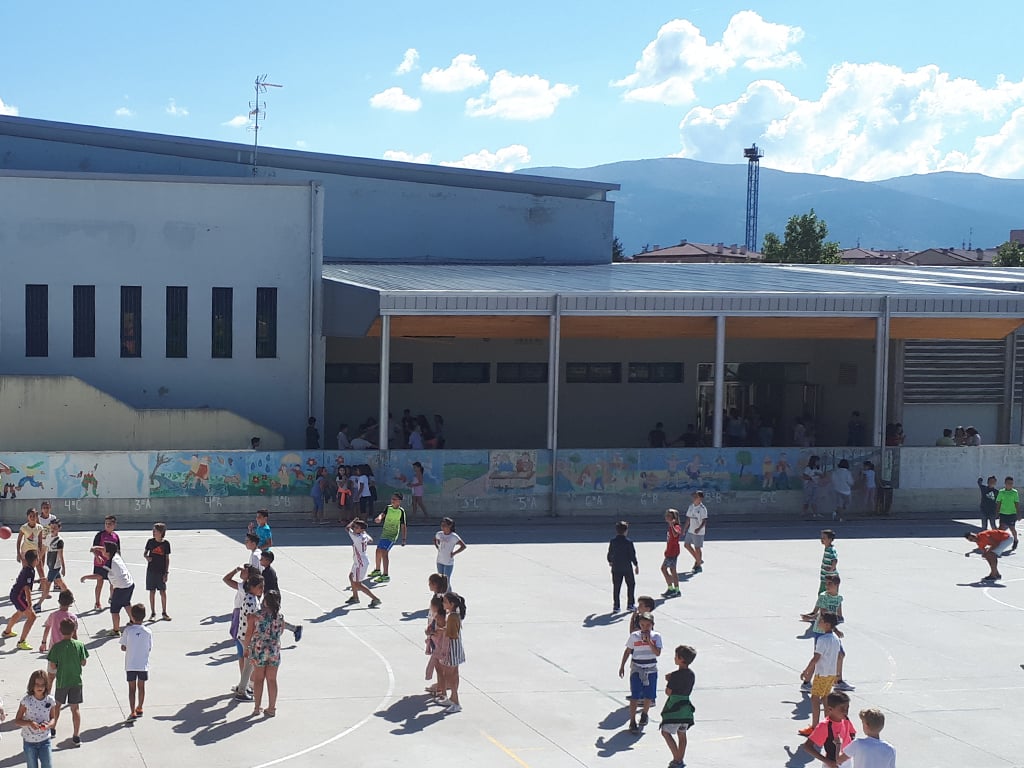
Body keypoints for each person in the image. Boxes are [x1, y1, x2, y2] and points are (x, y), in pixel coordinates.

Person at [798, 612, 843, 735]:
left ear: (827, 624)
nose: (818, 622)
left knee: (815, 698)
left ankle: (815, 727)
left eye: (821, 621)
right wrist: (837, 673)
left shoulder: (822, 640)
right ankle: (827, 725)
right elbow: (839, 656)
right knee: (825, 697)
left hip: (822, 673)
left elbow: (816, 658)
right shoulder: (836, 639)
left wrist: (806, 670)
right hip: (831, 673)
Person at [619, 611, 662, 733]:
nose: (645, 627)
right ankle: (632, 721)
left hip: (651, 669)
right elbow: (628, 651)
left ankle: (644, 714)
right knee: (635, 696)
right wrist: (622, 665)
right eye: (642, 625)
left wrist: (649, 642)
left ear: (652, 625)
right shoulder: (634, 636)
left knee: (649, 695)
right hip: (637, 669)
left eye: (648, 625)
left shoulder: (656, 637)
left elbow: (657, 653)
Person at [47, 618, 88, 746]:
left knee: (57, 706)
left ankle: (53, 728)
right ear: (73, 630)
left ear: (60, 630)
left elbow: (52, 666)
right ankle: (76, 735)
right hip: (76, 681)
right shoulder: (79, 645)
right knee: (75, 708)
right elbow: (84, 662)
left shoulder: (56, 647)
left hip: (62, 681)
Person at [81, 541, 134, 636]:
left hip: (121, 588)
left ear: (108, 552)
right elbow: (105, 549)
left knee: (114, 610)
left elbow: (99, 576)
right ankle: (134, 621)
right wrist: (96, 548)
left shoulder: (110, 564)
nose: (102, 550)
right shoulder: (116, 555)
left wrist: (85, 577)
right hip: (129, 584)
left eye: (104, 549)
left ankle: (116, 630)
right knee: (126, 603)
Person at [249, 589, 285, 717]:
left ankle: (257, 707)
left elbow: (250, 633)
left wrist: (248, 647)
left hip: (259, 650)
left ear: (265, 601)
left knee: (259, 679)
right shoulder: (280, 617)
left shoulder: (257, 615)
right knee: (272, 679)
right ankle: (271, 708)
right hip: (274, 650)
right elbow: (281, 632)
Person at [660, 644, 697, 768]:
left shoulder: (675, 676)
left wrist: (670, 680)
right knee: (682, 733)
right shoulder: (691, 674)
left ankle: (677, 759)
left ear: (681, 659)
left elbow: (668, 692)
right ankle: (679, 759)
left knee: (665, 732)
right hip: (686, 708)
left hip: (674, 708)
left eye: (676, 656)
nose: (674, 658)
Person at [14, 670, 57, 767]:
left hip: (45, 740)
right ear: (32, 685)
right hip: (29, 742)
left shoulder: (50, 700)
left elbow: (53, 719)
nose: (40, 687)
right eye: (37, 684)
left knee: (47, 765)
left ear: (46, 685)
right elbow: (17, 721)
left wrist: (48, 725)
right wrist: (29, 723)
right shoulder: (26, 701)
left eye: (42, 685)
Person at [801, 691, 856, 765]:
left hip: (847, 760)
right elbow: (807, 746)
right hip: (833, 763)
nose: (845, 711)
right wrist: (827, 761)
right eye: (842, 708)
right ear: (830, 709)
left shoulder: (846, 719)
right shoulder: (824, 726)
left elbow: (852, 733)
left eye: (847, 708)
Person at [258, 551, 302, 642]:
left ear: (268, 561)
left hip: (272, 598)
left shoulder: (268, 573)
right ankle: (294, 628)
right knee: (271, 617)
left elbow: (264, 586)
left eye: (262, 559)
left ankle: (293, 629)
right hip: (270, 597)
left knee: (271, 617)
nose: (260, 560)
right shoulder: (267, 571)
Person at [234, 573, 265, 701]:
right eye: (259, 587)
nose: (262, 590)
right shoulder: (251, 602)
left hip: (245, 635)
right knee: (249, 665)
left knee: (249, 664)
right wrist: (249, 643)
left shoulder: (251, 597)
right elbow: (251, 624)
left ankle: (243, 686)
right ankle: (242, 690)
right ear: (252, 587)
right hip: (248, 636)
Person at [120, 603, 152, 721]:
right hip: (143, 664)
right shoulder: (148, 631)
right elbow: (149, 647)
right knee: (141, 687)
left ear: (132, 616)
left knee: (131, 689)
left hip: (130, 664)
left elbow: (123, 647)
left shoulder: (128, 630)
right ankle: (140, 707)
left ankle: (132, 711)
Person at [438, 591, 467, 714]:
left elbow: (452, 634)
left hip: (452, 649)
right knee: (453, 673)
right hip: (455, 648)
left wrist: (440, 631)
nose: (443, 604)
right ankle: (452, 698)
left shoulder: (452, 617)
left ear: (452, 604)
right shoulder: (454, 615)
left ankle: (455, 700)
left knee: (450, 675)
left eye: (445, 602)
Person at [4, 550, 39, 650]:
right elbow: (27, 588)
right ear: (35, 560)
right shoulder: (30, 571)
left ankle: (7, 632)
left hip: (14, 594)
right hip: (19, 597)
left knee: (20, 612)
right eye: (38, 558)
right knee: (32, 617)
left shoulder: (27, 569)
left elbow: (24, 582)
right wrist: (30, 604)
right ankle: (21, 642)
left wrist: (37, 581)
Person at [371, 492, 408, 583]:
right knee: (378, 550)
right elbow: (382, 514)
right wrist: (379, 518)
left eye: (395, 499)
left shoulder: (401, 511)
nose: (392, 500)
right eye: (392, 499)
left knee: (384, 552)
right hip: (385, 534)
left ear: (399, 501)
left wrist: (403, 539)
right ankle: (377, 570)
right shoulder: (388, 508)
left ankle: (385, 575)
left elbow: (403, 526)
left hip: (392, 535)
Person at [344, 519, 382, 608]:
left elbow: (347, 528)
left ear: (361, 529)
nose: (354, 528)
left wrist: (353, 521)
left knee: (358, 584)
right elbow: (371, 540)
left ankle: (375, 599)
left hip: (360, 563)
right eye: (355, 527)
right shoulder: (363, 535)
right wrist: (364, 532)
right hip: (359, 561)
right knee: (351, 576)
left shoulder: (356, 537)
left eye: (357, 527)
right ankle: (355, 597)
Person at [804, 529, 839, 618]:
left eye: (824, 538)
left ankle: (820, 614)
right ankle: (817, 613)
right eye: (821, 537)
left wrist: (831, 570)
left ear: (830, 539)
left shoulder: (831, 550)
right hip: (825, 578)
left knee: (825, 596)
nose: (821, 539)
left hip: (830, 579)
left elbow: (835, 560)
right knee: (822, 595)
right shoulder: (827, 549)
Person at [608, 520, 639, 613]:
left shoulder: (613, 541)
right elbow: (632, 555)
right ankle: (630, 604)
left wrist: (610, 561)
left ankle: (616, 606)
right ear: (626, 531)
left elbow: (610, 553)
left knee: (616, 587)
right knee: (631, 585)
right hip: (627, 567)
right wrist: (636, 564)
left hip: (616, 567)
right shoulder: (628, 542)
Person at [89, 516, 120, 610]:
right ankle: (97, 602)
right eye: (106, 523)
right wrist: (97, 556)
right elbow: (94, 548)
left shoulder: (116, 537)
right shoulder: (100, 535)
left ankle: (112, 598)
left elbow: (118, 551)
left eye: (110, 524)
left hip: (111, 564)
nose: (107, 525)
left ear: (114, 525)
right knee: (99, 582)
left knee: (113, 583)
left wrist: (118, 562)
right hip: (100, 564)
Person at [144, 522, 172, 621]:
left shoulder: (166, 544)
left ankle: (164, 612)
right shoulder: (150, 542)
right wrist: (146, 557)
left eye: (155, 531)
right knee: (152, 591)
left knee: (162, 592)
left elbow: (167, 559)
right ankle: (153, 613)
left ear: (161, 532)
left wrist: (166, 573)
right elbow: (145, 553)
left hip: (161, 571)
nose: (153, 532)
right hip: (151, 570)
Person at [39, 589, 77, 659]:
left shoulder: (53, 615)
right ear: (71, 603)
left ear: (59, 601)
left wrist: (43, 643)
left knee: (52, 665)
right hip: (67, 648)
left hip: (54, 648)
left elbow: (47, 628)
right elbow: (74, 634)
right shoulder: (73, 617)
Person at [38, 517, 66, 608]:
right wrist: (39, 558)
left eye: (55, 527)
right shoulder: (48, 537)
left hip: (55, 566)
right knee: (60, 582)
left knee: (47, 584)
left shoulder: (59, 541)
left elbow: (61, 555)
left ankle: (39, 604)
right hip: (50, 563)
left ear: (59, 528)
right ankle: (70, 597)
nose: (53, 529)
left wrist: (63, 568)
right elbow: (44, 549)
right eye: (52, 527)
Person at [16, 507, 44, 589]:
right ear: (27, 517)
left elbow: (40, 542)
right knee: (26, 571)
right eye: (30, 516)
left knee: (40, 569)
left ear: (37, 517)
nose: (32, 518)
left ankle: (44, 588)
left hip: (35, 552)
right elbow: (19, 541)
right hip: (25, 552)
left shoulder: (39, 528)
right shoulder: (24, 528)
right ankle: (23, 588)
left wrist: (39, 554)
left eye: (34, 516)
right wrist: (18, 554)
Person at [434, 517, 466, 586]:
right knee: (440, 581)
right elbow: (435, 539)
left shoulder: (453, 536)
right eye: (441, 525)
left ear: (450, 526)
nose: (442, 527)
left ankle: (449, 593)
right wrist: (437, 546)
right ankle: (441, 593)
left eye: (444, 525)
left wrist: (454, 553)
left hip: (448, 562)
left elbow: (463, 546)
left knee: (446, 581)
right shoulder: (439, 534)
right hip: (439, 560)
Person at [682, 491, 707, 573]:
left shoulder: (702, 509)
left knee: (697, 548)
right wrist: (684, 529)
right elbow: (688, 519)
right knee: (686, 545)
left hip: (698, 532)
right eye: (694, 496)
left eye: (696, 496)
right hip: (690, 530)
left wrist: (699, 529)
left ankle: (698, 565)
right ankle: (698, 559)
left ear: (700, 498)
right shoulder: (691, 506)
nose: (694, 498)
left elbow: (704, 521)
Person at [661, 508, 683, 597]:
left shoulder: (676, 526)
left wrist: (672, 525)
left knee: (665, 569)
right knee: (671, 570)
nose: (666, 517)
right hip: (670, 551)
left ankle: (674, 589)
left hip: (673, 552)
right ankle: (673, 589)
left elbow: (675, 534)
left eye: (669, 516)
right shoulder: (671, 526)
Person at [996, 475, 1020, 550]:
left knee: (1012, 528)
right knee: (1001, 529)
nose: (1010, 485)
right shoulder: (1001, 492)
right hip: (1003, 513)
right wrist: (997, 512)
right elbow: (999, 503)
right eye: (1008, 483)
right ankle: (998, 543)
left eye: (1011, 483)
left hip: (1012, 514)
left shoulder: (1014, 492)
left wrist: (1018, 514)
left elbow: (1016, 503)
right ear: (1005, 483)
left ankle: (1015, 540)